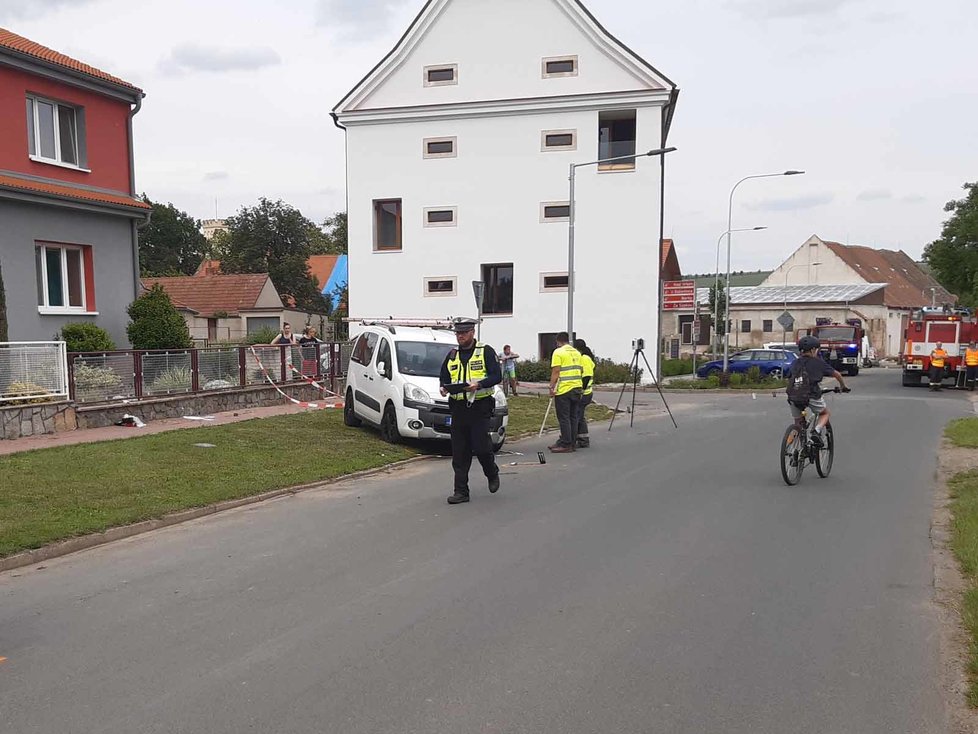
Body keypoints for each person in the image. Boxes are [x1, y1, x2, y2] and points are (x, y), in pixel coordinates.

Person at [439, 318, 502, 505]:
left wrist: (479, 384)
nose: (460, 337)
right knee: (459, 452)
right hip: (458, 408)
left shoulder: (485, 351)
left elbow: (496, 375)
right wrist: (443, 387)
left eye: (464, 333)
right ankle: (461, 492)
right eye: (458, 334)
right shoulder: (452, 355)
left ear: (472, 333)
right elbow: (444, 376)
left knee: (482, 448)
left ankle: (491, 472)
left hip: (479, 406)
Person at [787, 335, 850, 448]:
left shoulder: (795, 363)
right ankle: (816, 431)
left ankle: (789, 448)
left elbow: (789, 376)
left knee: (798, 424)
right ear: (813, 350)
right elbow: (837, 374)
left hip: (793, 396)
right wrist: (843, 386)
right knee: (825, 413)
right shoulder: (818, 363)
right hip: (811, 395)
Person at [548, 332, 584, 453]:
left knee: (564, 418)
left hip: (564, 389)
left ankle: (566, 443)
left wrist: (551, 386)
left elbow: (556, 371)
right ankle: (572, 442)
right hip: (577, 387)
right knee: (573, 417)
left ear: (558, 341)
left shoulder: (558, 352)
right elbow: (581, 369)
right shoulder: (577, 353)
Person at [575, 339, 596, 448]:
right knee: (580, 415)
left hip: (585, 393)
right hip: (586, 392)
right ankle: (582, 438)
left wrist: (581, 390)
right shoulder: (585, 358)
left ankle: (581, 439)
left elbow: (587, 376)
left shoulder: (585, 358)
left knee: (577, 416)